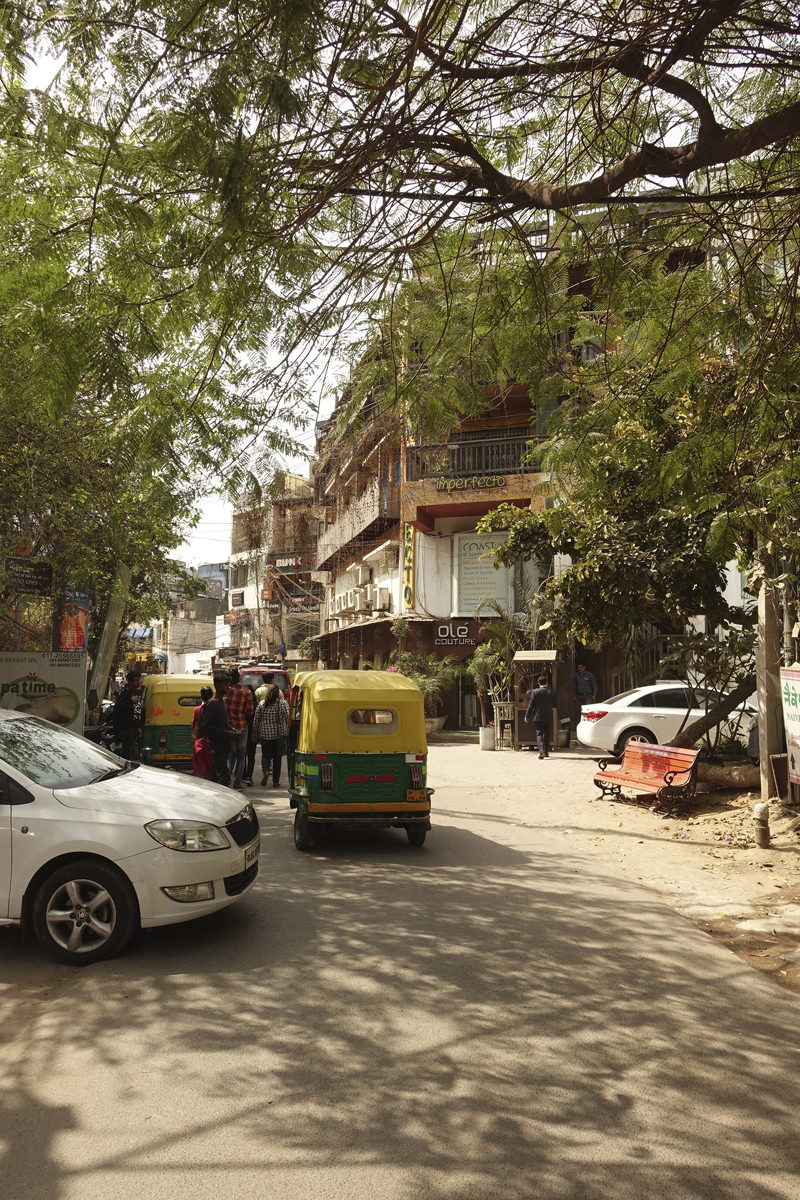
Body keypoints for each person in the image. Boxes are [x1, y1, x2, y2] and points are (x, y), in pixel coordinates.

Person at [200, 675, 244, 787]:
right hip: (216, 746)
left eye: (229, 685)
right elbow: (207, 726)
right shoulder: (211, 703)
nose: (228, 687)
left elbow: (225, 723)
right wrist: (225, 733)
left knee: (216, 777)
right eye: (225, 685)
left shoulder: (222, 702)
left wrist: (233, 730)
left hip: (224, 745)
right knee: (224, 776)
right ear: (218, 686)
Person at [252, 683, 290, 787]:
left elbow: (256, 719)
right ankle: (276, 781)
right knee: (277, 758)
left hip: (265, 734)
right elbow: (288, 718)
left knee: (266, 755)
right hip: (279, 735)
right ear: (278, 694)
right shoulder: (283, 704)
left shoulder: (262, 704)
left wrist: (254, 731)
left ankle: (266, 771)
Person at [224, 667, 254, 791]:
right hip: (242, 727)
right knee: (241, 757)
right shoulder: (246, 692)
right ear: (239, 677)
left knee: (228, 755)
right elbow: (250, 711)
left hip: (228, 728)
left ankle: (226, 783)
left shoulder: (226, 691)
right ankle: (237, 783)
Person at [113, 671, 143, 760]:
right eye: (135, 681)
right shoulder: (127, 693)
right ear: (130, 682)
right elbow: (118, 707)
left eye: (139, 680)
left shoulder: (137, 692)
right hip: (127, 729)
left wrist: (138, 727)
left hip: (134, 728)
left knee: (132, 752)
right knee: (127, 754)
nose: (138, 682)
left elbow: (136, 711)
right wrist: (130, 701)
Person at [524, 674, 556, 759]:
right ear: (546, 683)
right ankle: (545, 751)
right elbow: (555, 705)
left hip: (538, 716)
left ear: (538, 683)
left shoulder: (535, 692)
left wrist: (527, 716)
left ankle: (541, 752)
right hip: (548, 716)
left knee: (539, 734)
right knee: (547, 734)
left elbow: (531, 705)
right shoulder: (551, 692)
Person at [191, 686, 214, 778]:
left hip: (199, 743)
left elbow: (194, 725)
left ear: (201, 697)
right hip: (211, 743)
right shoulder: (214, 707)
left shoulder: (197, 709)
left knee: (199, 772)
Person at [241, 677, 259, 786]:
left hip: (242, 730)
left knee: (242, 754)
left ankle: (242, 774)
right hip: (253, 732)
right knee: (251, 755)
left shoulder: (240, 705)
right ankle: (249, 776)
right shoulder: (255, 706)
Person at [572, 662, 598, 727]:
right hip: (579, 696)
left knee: (589, 711)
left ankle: (588, 725)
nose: (579, 669)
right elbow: (574, 686)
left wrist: (594, 694)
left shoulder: (589, 675)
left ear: (584, 667)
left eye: (581, 667)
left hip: (588, 696)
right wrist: (574, 695)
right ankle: (577, 726)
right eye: (578, 667)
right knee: (577, 711)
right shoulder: (576, 676)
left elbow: (594, 685)